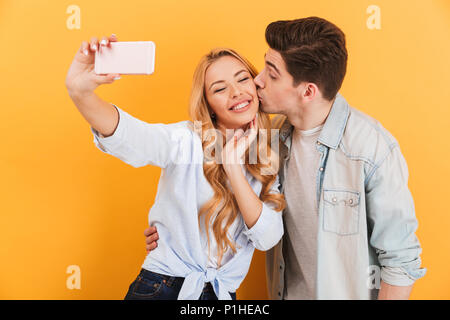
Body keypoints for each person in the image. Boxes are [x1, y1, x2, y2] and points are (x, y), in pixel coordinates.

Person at [145, 17, 426, 300]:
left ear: (307, 91)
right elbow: (223, 194)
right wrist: (172, 235)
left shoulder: (372, 149)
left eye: (272, 73)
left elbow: (401, 261)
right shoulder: (267, 138)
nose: (257, 80)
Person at [65, 35, 286, 300]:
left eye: (242, 79)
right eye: (219, 89)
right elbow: (133, 136)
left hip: (222, 294)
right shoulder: (186, 140)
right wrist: (80, 92)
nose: (237, 92)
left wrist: (233, 168)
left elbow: (268, 238)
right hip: (163, 288)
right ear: (209, 105)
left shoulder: (268, 158)